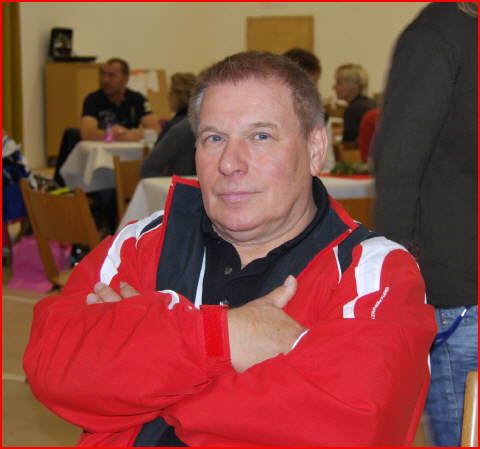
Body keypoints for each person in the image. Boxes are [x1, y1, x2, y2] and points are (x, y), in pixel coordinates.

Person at [23, 51, 436, 447]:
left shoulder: (376, 273)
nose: (230, 163)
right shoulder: (144, 242)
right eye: (214, 138)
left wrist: (145, 369)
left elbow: (347, 428)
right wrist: (224, 337)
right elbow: (52, 362)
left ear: (315, 149)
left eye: (260, 136)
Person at [372, 3, 477, 446]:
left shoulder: (445, 34)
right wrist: (400, 283)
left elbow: (398, 160)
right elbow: (400, 162)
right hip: (459, 292)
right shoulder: (444, 34)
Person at [81, 58, 159, 141]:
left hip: (131, 147)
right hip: (103, 147)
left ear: (126, 79)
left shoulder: (138, 99)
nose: (105, 80)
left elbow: (155, 130)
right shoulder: (92, 99)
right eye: (103, 74)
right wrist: (115, 135)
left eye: (112, 76)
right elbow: (87, 134)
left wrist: (129, 134)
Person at [140, 73, 197, 177]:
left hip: (172, 183)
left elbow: (149, 166)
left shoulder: (177, 127)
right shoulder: (198, 124)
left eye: (170, 92)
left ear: (179, 96)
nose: (168, 96)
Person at [333, 63, 377, 142]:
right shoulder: (373, 103)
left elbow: (348, 145)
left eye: (339, 82)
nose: (334, 87)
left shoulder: (353, 110)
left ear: (354, 86)